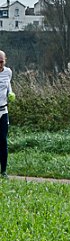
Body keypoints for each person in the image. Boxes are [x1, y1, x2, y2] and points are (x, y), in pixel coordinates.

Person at [0, 50, 15, 178]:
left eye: (1, 61)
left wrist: (10, 94)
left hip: (3, 111)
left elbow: (8, 86)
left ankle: (3, 171)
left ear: (5, 60)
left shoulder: (8, 72)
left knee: (3, 141)